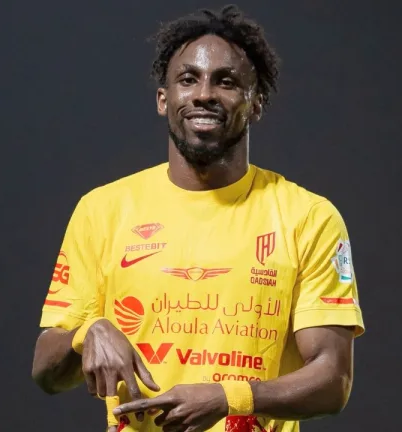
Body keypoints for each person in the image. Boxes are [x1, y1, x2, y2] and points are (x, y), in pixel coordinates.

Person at [31, 5, 365, 432]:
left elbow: (333, 380)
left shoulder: (308, 218)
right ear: (163, 99)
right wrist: (86, 333)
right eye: (188, 79)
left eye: (226, 81)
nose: (204, 93)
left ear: (256, 103)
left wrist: (229, 398)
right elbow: (46, 371)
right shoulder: (103, 210)